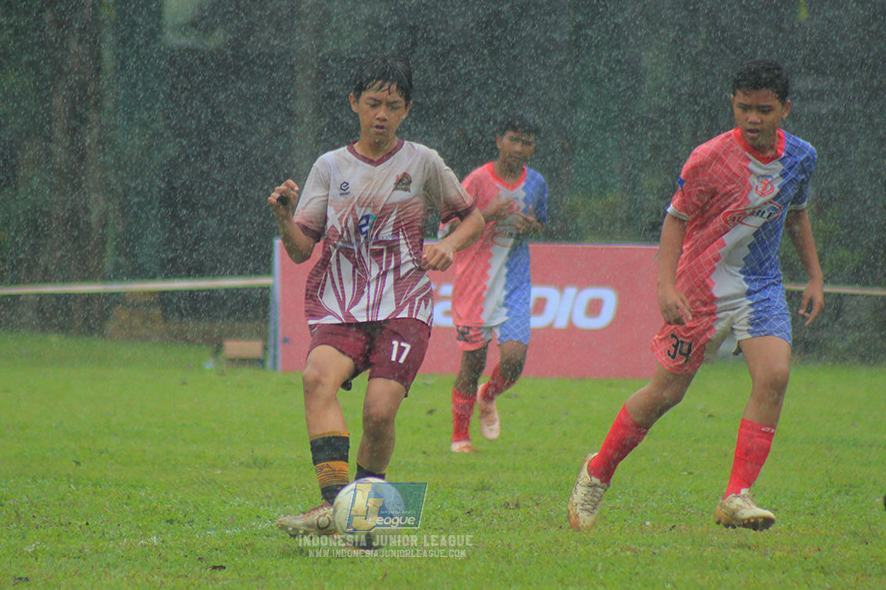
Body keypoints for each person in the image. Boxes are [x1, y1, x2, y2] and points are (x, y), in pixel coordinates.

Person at [567, 59, 824, 532]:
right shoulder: (707, 158)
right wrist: (665, 286)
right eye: (744, 107)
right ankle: (597, 471)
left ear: (785, 109)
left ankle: (736, 496)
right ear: (733, 103)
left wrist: (814, 276)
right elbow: (675, 220)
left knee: (775, 374)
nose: (753, 118)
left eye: (764, 110)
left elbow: (797, 213)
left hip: (760, 286)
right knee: (665, 394)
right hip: (698, 291)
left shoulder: (801, 158)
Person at [268, 56, 486, 537]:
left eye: (392, 105)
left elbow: (472, 218)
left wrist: (448, 245)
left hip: (404, 303)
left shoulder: (423, 162)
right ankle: (334, 508)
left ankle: (362, 512)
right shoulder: (330, 167)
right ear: (354, 104)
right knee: (315, 379)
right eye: (372, 103)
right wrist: (285, 218)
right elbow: (302, 249)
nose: (381, 114)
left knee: (379, 411)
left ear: (406, 109)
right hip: (342, 303)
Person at [443, 112, 548, 453]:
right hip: (475, 283)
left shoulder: (537, 183)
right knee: (471, 364)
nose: (519, 147)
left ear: (534, 148)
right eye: (513, 140)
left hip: (515, 282)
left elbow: (541, 223)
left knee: (515, 358)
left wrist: (532, 227)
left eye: (527, 142)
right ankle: (460, 437)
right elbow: (446, 229)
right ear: (499, 140)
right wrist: (486, 214)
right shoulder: (475, 181)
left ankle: (487, 397)